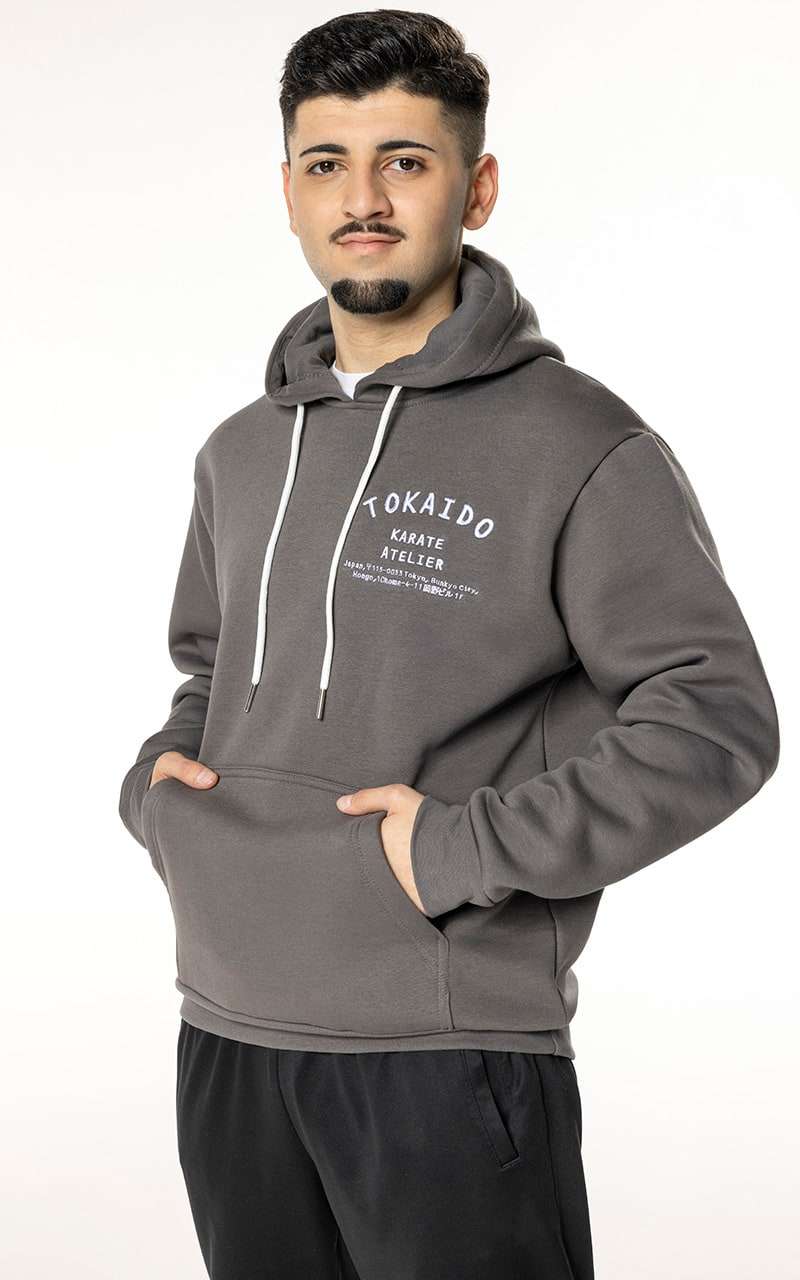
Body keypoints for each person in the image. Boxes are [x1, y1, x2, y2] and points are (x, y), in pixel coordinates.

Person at [118, 11, 780, 1279]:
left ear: (474, 189)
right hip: (227, 1032)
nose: (362, 199)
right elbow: (209, 667)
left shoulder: (580, 443)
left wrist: (459, 849)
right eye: (327, 164)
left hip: (446, 1054)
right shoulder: (239, 451)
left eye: (405, 162)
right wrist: (164, 794)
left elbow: (714, 718)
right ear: (288, 190)